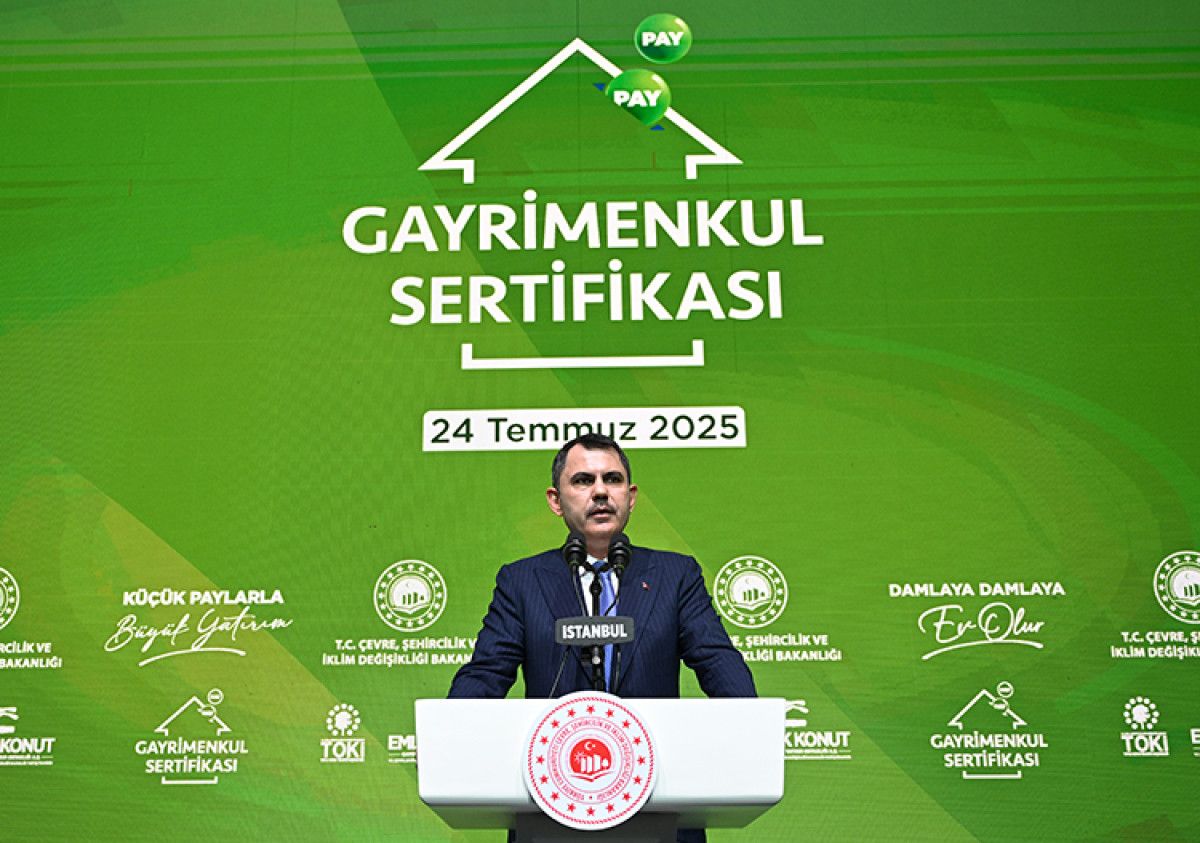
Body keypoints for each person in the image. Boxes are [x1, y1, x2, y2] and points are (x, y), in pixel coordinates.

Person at [449, 434, 755, 843]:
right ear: (556, 500)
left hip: (658, 807)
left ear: (631, 496)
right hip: (553, 812)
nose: (599, 492)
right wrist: (450, 734)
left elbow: (718, 661)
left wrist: (751, 729)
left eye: (612, 479)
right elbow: (487, 673)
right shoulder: (522, 581)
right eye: (582, 481)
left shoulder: (675, 575)